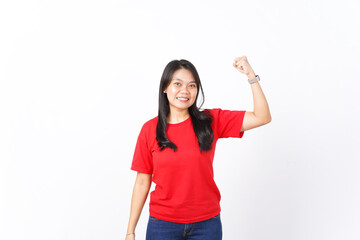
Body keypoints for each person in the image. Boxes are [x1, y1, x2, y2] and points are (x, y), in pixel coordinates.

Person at [125, 56, 271, 240]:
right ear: (165, 87)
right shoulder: (149, 130)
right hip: (163, 224)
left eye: (192, 85)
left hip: (206, 224)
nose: (184, 90)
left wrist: (251, 76)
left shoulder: (210, 121)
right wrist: (130, 230)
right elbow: (142, 183)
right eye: (177, 84)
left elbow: (262, 117)